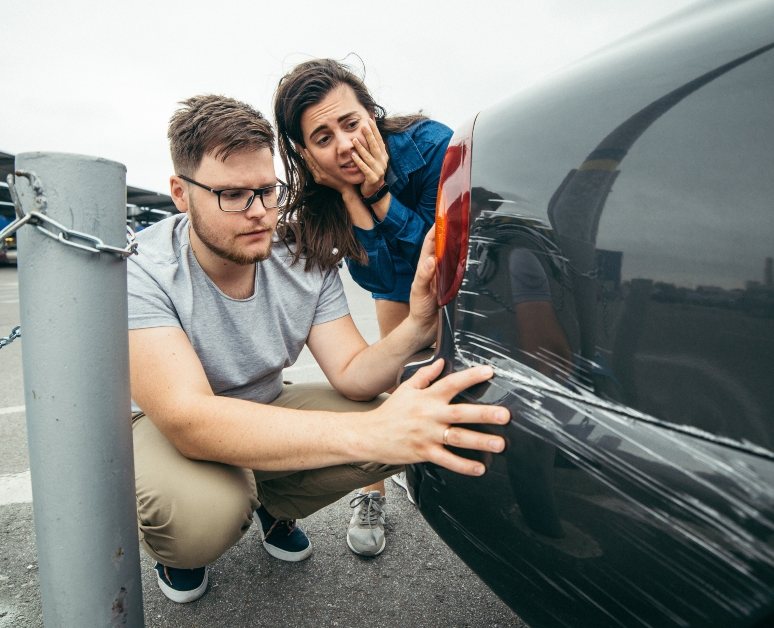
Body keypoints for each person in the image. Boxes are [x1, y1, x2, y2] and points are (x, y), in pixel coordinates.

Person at [128, 94, 509, 603]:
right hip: (166, 427)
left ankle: (266, 502)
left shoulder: (298, 254)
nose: (259, 212)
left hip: (263, 403)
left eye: (268, 190)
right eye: (233, 195)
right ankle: (191, 545)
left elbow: (353, 372)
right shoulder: (142, 268)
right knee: (201, 520)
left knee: (403, 418)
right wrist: (372, 433)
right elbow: (190, 420)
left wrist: (417, 325)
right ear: (180, 192)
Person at [272, 59, 454, 555]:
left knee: (448, 375)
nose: (345, 145)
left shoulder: (432, 145)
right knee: (384, 377)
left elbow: (441, 260)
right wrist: (351, 197)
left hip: (460, 279)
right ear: (303, 151)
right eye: (323, 137)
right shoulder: (323, 195)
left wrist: (379, 194)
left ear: (371, 113)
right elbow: (384, 279)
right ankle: (370, 490)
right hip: (396, 287)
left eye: (351, 123)